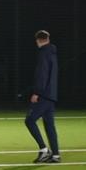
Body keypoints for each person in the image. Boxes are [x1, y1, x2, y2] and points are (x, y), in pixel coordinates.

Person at [25, 29, 60, 163]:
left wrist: (36, 92)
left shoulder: (43, 53)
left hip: (43, 95)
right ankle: (55, 155)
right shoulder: (52, 53)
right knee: (49, 125)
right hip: (51, 95)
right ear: (48, 39)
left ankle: (44, 150)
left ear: (38, 40)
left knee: (29, 120)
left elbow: (42, 75)